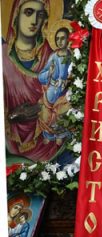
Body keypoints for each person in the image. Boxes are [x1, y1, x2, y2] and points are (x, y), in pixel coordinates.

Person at [3, 0, 62, 162]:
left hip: (46, 143)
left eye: (40, 14)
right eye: (28, 12)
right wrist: (10, 116)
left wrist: (40, 108)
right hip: (10, 142)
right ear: (16, 15)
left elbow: (64, 96)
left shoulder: (53, 57)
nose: (35, 21)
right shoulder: (3, 56)